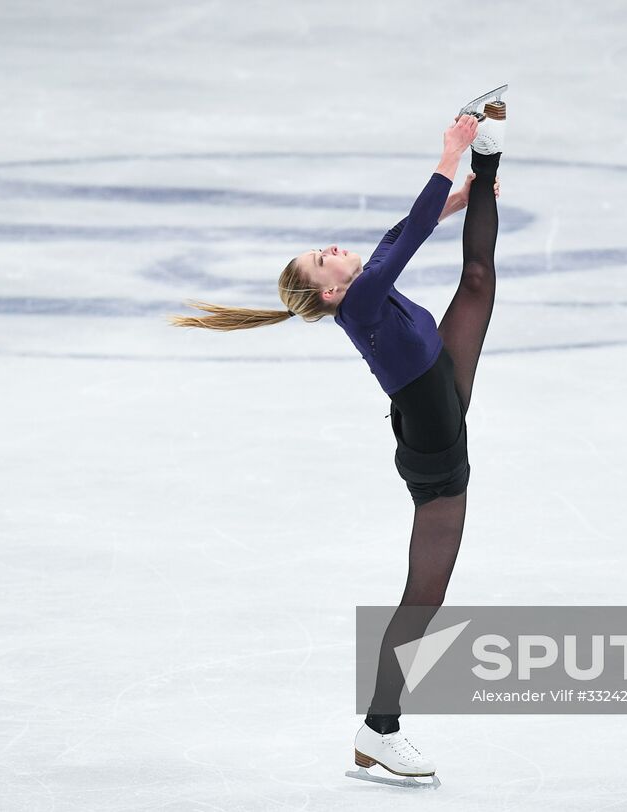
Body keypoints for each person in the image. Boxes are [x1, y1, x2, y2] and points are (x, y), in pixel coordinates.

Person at [171, 93, 506, 788]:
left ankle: (492, 150)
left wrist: (465, 190)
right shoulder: (356, 300)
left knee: (477, 281)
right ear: (328, 293)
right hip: (434, 447)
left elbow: (395, 238)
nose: (330, 249)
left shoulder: (360, 287)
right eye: (321, 258)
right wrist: (446, 160)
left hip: (437, 390)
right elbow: (405, 239)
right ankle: (379, 729)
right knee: (425, 596)